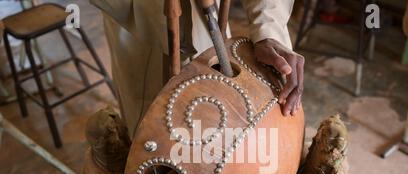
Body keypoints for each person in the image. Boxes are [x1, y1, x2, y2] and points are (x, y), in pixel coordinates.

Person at [90, 0, 305, 136]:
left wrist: (268, 29)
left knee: (222, 132)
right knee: (154, 142)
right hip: (141, 29)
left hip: (209, 21)